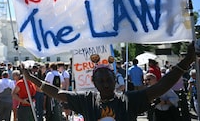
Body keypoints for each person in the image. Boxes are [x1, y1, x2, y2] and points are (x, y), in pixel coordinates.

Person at [21, 42, 195, 121]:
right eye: (101, 80)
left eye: (108, 80)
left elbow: (161, 87)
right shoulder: (87, 99)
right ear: (94, 83)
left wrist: (187, 61)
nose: (105, 84)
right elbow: (58, 93)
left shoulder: (129, 100)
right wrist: (31, 79)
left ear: (115, 80)